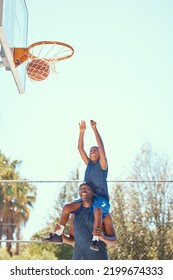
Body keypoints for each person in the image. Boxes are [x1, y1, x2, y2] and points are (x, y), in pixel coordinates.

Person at [42, 120, 110, 252]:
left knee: (97, 211)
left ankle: (95, 240)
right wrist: (81, 132)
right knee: (67, 207)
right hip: (86, 198)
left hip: (100, 200)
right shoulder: (89, 164)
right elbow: (80, 148)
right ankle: (57, 235)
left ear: (100, 154)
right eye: (91, 151)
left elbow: (101, 147)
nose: (92, 152)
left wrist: (95, 129)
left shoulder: (102, 166)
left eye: (95, 151)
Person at [57, 182, 117, 260]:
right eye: (81, 189)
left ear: (93, 193)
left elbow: (113, 240)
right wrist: (61, 236)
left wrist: (103, 238)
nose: (83, 191)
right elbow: (73, 241)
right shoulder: (74, 215)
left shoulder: (104, 214)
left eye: (86, 189)